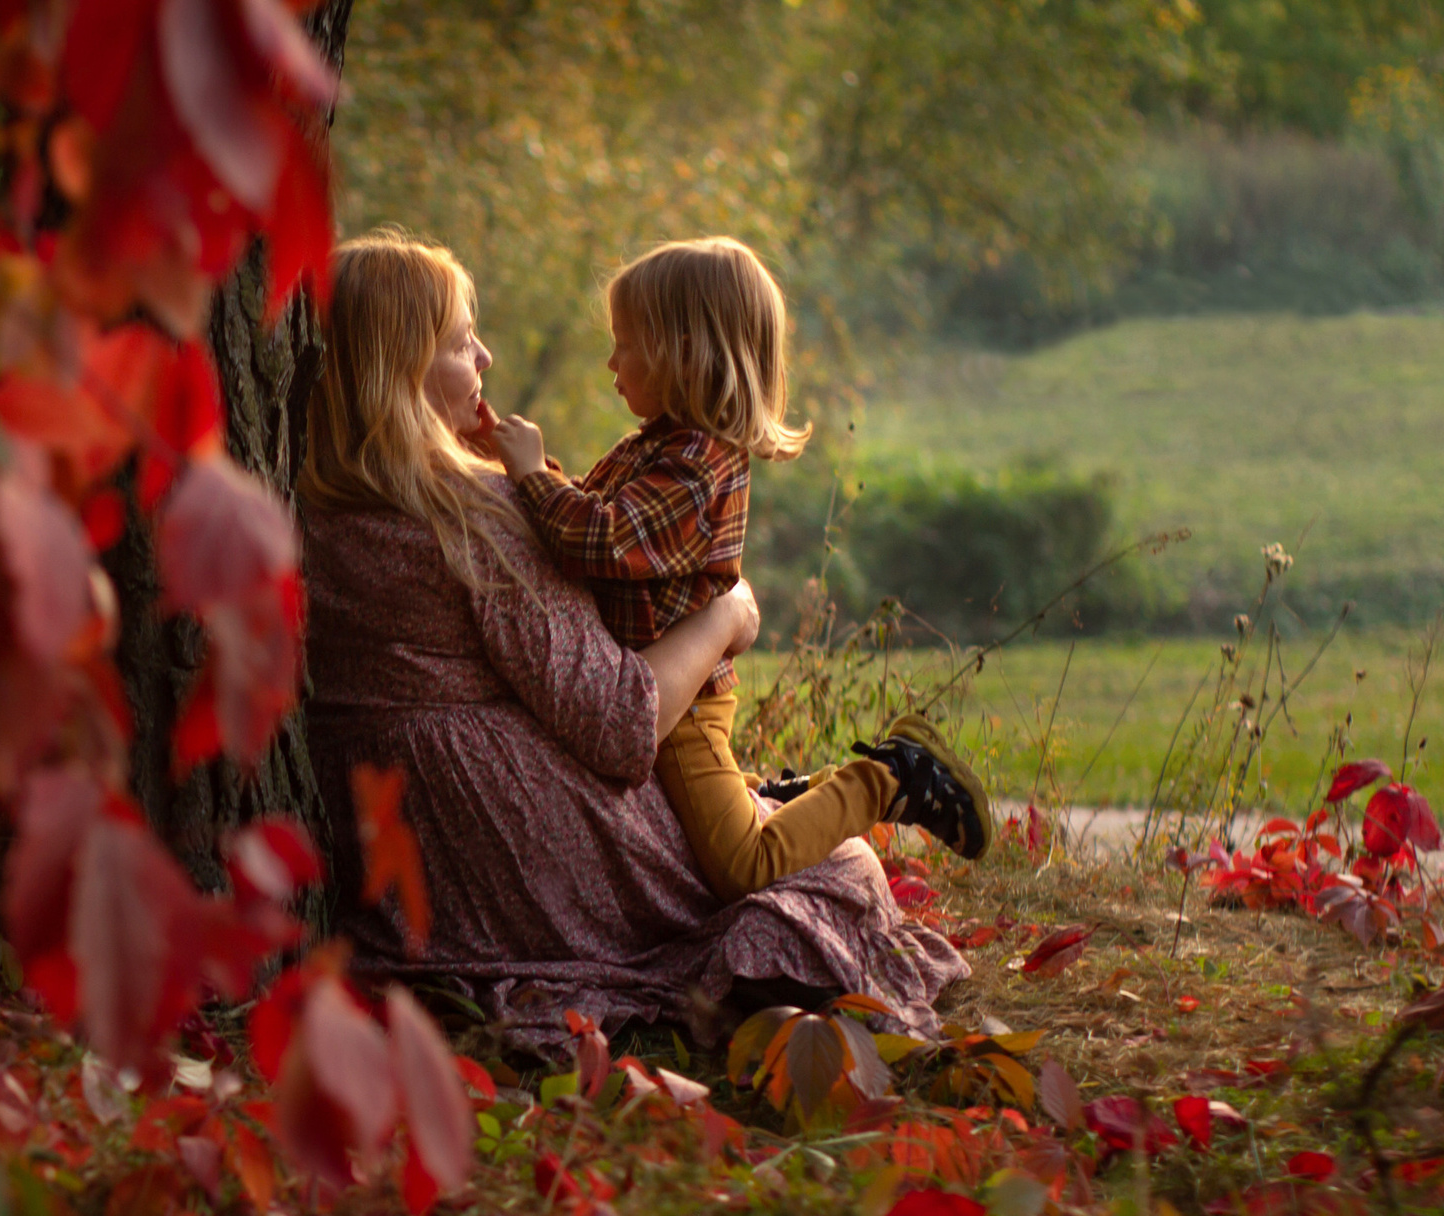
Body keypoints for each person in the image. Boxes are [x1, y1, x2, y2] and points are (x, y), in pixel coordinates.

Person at [298, 230, 968, 1047]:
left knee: (765, 835)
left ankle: (786, 794)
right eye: (460, 341)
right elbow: (620, 723)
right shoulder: (474, 526)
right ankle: (865, 784)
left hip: (394, 854)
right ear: (399, 369)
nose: (486, 356)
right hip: (518, 856)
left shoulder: (301, 512)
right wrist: (727, 617)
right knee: (832, 874)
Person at [486, 236, 991, 903]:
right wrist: (517, 471)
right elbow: (587, 517)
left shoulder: (698, 465)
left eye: (625, 343)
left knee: (741, 864)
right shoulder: (655, 446)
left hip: (684, 702)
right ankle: (786, 796)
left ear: (682, 351)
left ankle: (890, 779)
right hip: (649, 679)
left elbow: (600, 540)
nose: (611, 361)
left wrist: (529, 473)